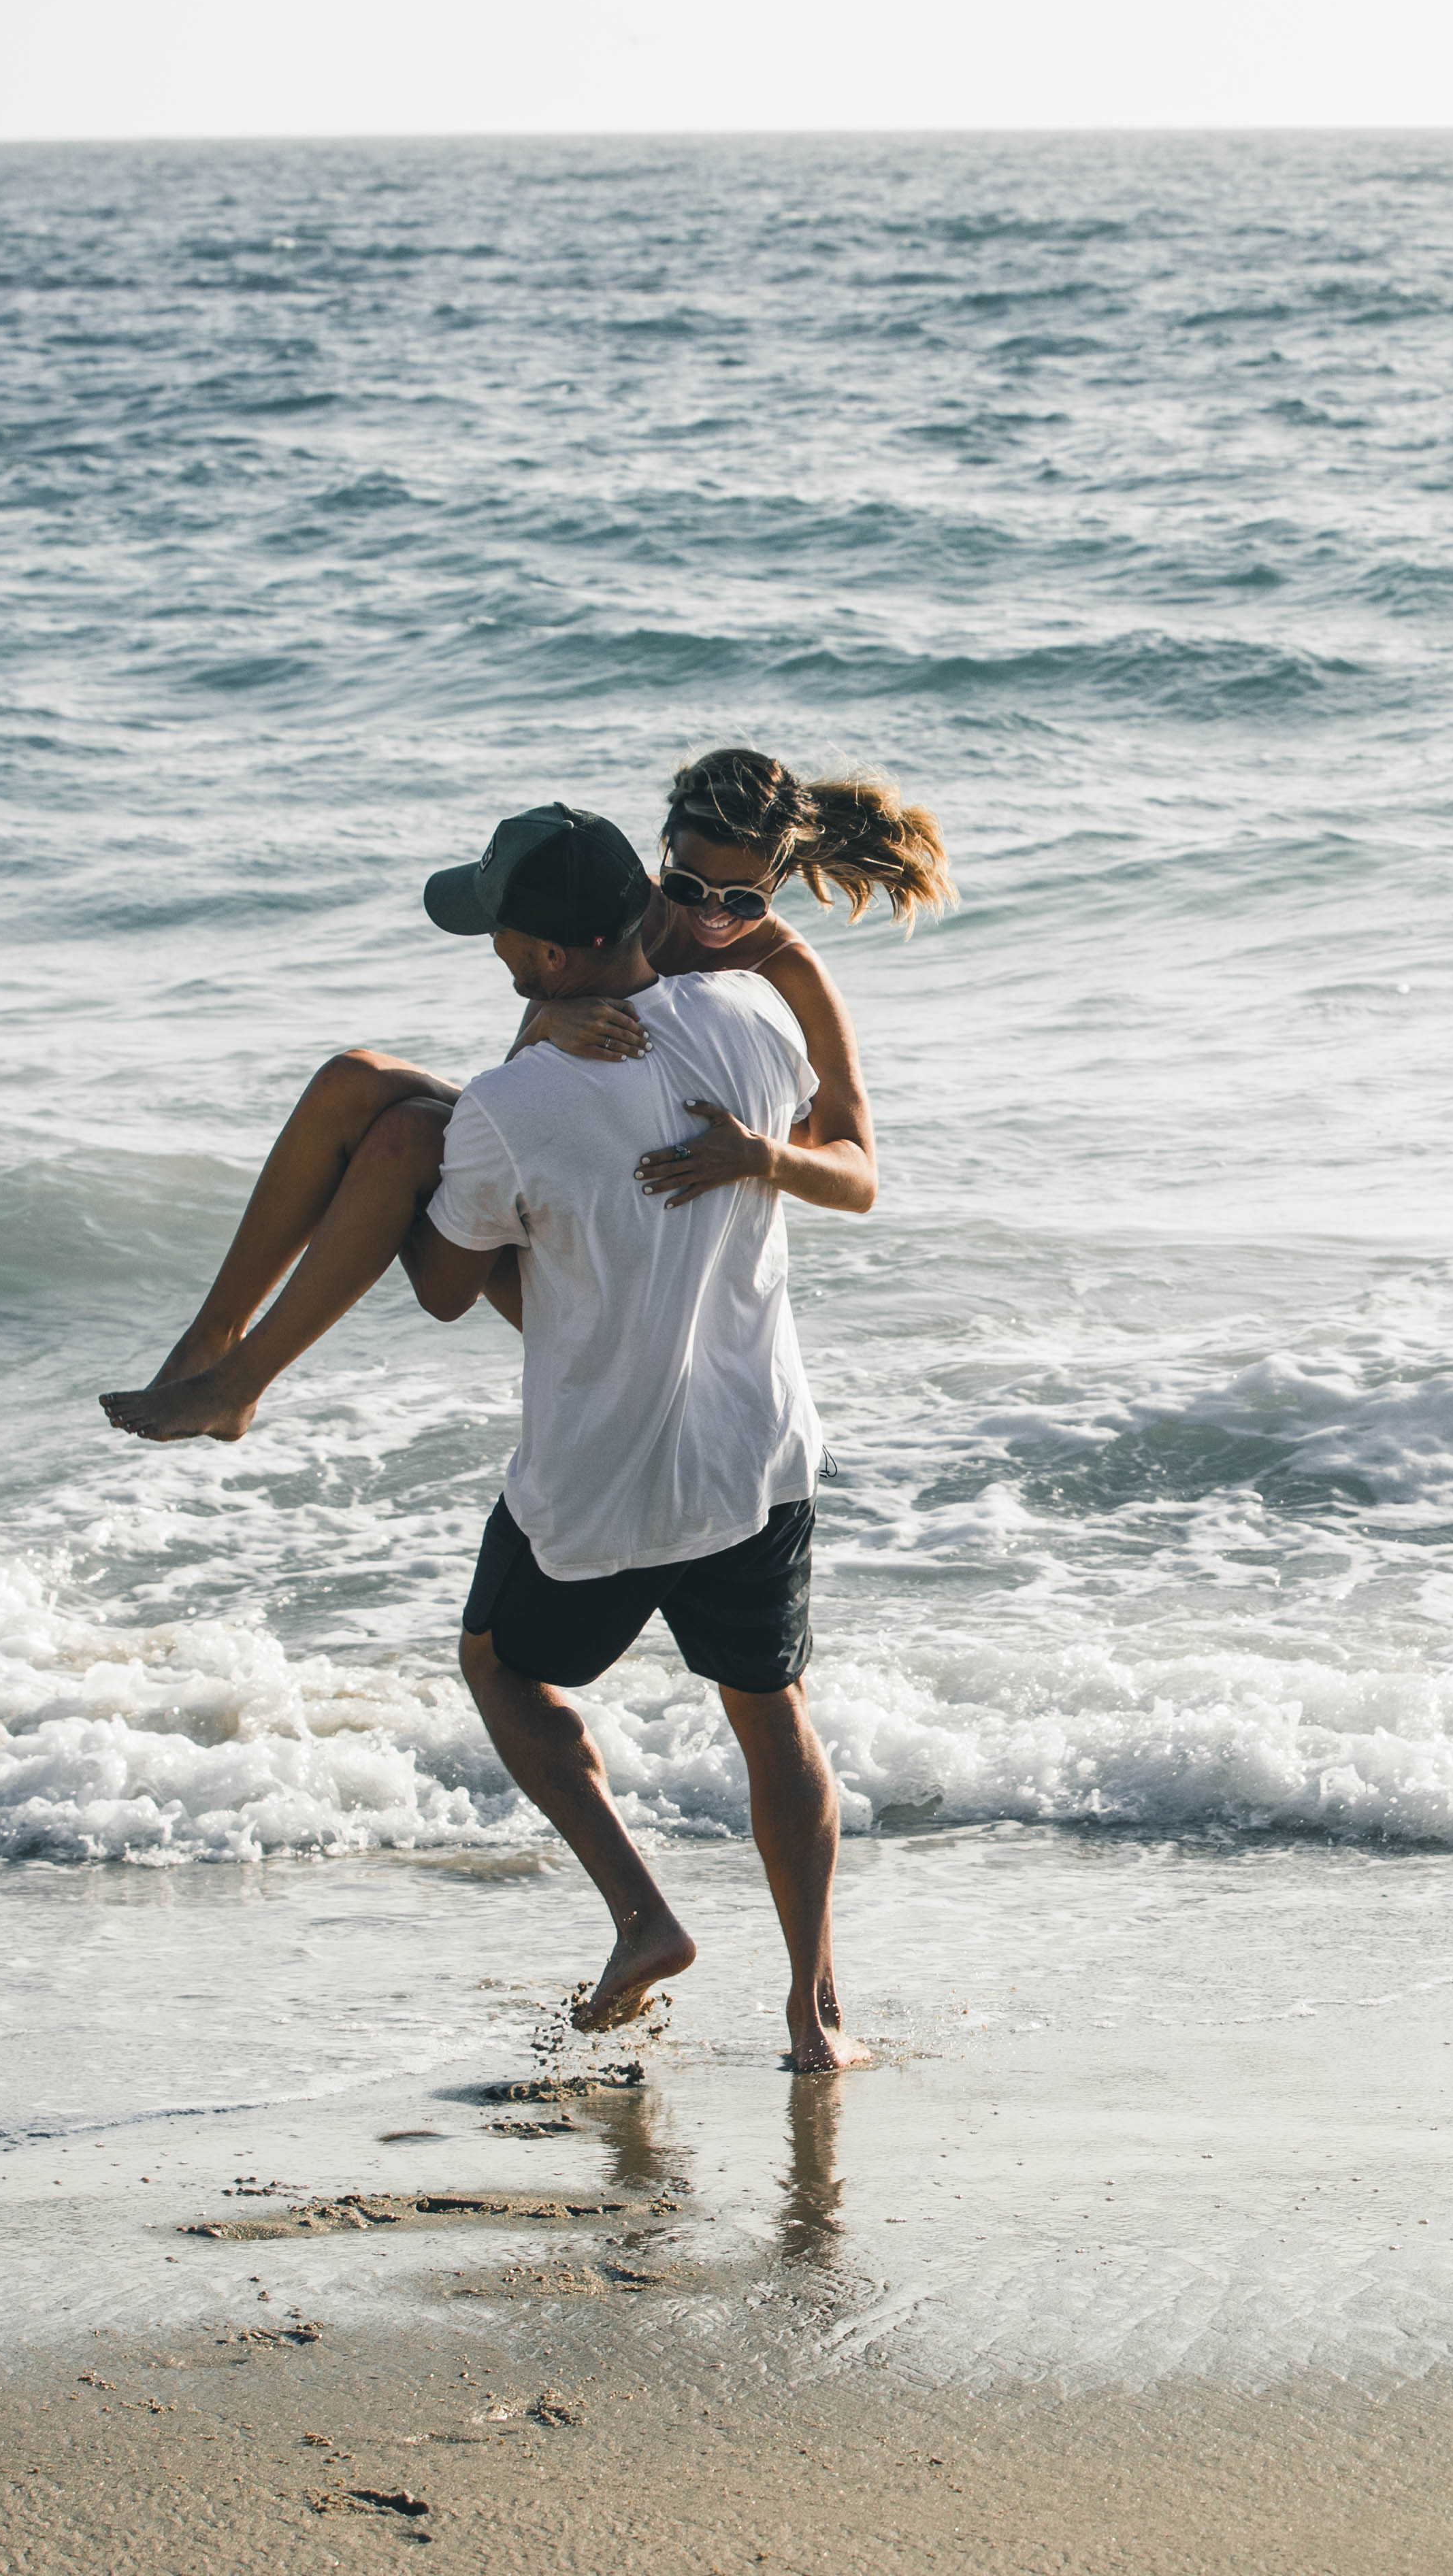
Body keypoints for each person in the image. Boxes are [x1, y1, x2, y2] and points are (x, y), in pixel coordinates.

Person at [382, 800, 868, 2073]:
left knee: (500, 1668)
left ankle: (643, 1915)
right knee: (775, 1718)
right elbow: (837, 1154)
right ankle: (815, 2016)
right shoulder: (761, 1023)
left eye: (498, 931)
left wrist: (419, 1153)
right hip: (752, 1461)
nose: (492, 945)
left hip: (599, 1485)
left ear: (542, 958)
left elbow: (442, 1285)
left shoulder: (506, 1102)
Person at [96, 749, 947, 1442]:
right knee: (350, 1082)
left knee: (403, 1136)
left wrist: (762, 1156)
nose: (708, 920)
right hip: (569, 1191)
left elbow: (860, 1175)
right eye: (688, 887)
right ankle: (214, 1345)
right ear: (663, 858)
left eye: (743, 900)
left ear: (781, 880)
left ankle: (241, 1381)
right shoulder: (624, 917)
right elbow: (521, 1084)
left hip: (645, 1269)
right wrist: (548, 1025)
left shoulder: (788, 974)